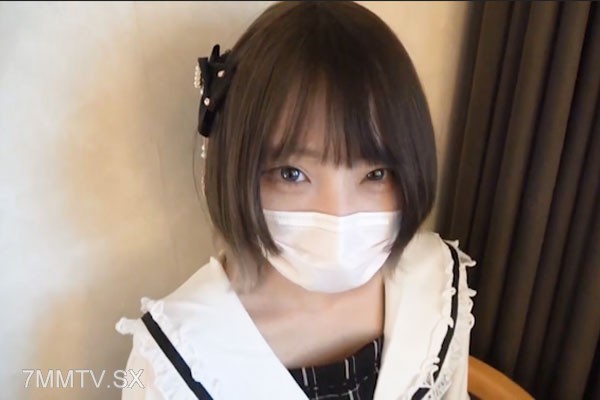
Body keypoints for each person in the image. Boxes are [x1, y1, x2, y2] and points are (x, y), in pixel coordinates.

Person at [115, 2, 477, 399]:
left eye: (375, 174)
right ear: (234, 168)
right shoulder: (173, 359)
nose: (338, 215)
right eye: (292, 174)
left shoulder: (437, 287)